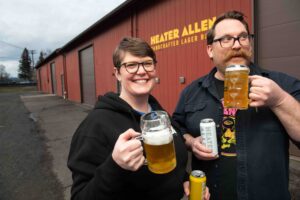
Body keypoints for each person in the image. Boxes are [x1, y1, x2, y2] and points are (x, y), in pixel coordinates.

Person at [173, 10, 300, 200]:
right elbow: (177, 127)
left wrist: (279, 100)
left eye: (242, 37)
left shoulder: (281, 85)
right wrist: (191, 141)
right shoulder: (191, 92)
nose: (237, 44)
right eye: (226, 39)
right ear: (210, 50)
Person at [67, 37, 209, 200]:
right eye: (131, 65)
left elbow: (171, 162)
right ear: (117, 73)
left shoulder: (158, 113)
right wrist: (115, 165)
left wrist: (184, 180)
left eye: (147, 63)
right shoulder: (96, 125)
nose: (141, 71)